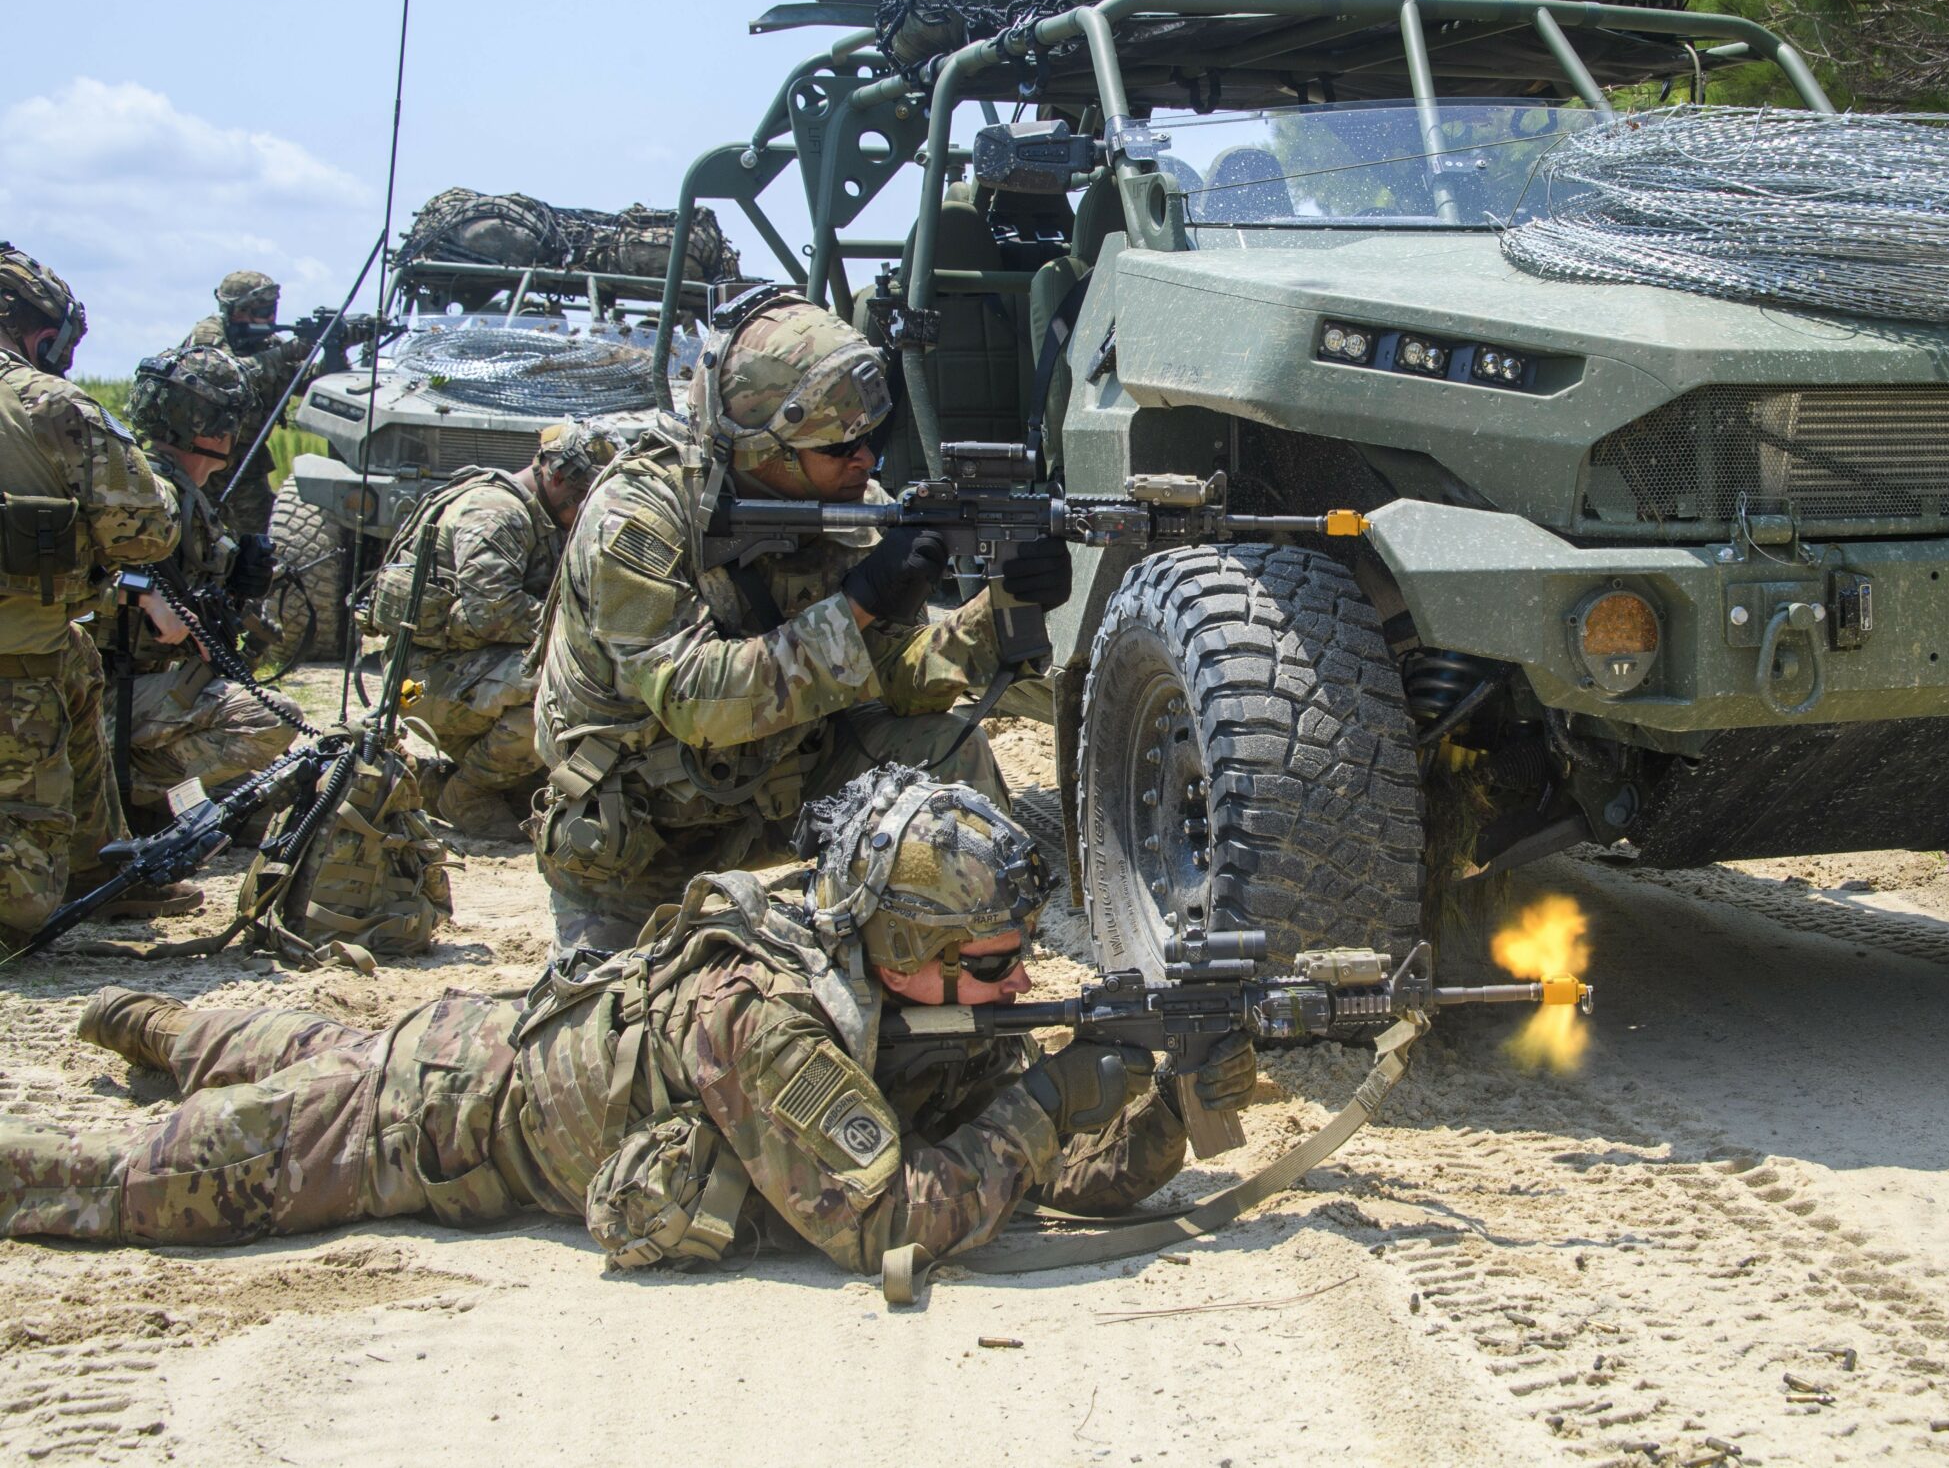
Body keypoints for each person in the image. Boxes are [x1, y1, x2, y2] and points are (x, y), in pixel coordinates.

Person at [0, 767, 1256, 1276]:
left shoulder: (923, 1005)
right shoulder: (767, 1017)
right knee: (131, 1187)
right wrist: (1050, 1098)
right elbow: (893, 1219)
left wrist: (1162, 1114)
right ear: (906, 941)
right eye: (986, 963)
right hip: (421, 1120)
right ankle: (149, 1043)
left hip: (486, 1033)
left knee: (251, 1042)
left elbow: (1043, 1180)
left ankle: (158, 1027)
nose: (1009, 987)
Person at [531, 286, 1072, 950]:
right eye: (841, 444)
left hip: (779, 802)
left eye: (874, 437)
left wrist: (1002, 607)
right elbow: (698, 702)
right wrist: (861, 602)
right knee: (630, 1038)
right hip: (640, 842)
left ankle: (975, 965)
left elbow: (895, 680)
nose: (866, 459)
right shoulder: (637, 516)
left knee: (942, 752)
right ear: (763, 447)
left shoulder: (849, 505)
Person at [0, 243, 182, 952]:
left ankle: (97, 864)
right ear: (43, 336)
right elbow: (149, 530)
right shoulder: (51, 406)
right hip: (13, 674)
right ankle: (62, 877)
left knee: (76, 653)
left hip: (41, 657)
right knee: (18, 915)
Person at [364, 422, 612, 838]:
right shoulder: (497, 513)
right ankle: (469, 792)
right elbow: (493, 612)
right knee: (562, 685)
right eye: (581, 499)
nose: (584, 513)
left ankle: (436, 783)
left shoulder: (542, 516)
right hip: (415, 687)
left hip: (465, 675)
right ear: (555, 477)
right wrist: (587, 634)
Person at [111, 347, 294, 835]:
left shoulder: (183, 495)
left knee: (276, 788)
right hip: (110, 693)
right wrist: (143, 595)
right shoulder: (147, 494)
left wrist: (235, 580)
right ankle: (128, 790)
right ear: (213, 431)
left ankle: (152, 792)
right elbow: (79, 576)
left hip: (148, 684)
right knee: (273, 721)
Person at [182, 269, 310, 540]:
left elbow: (307, 382)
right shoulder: (209, 335)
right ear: (235, 311)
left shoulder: (268, 344)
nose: (271, 318)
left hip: (245, 463)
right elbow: (226, 374)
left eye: (272, 309)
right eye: (262, 310)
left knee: (259, 541)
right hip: (198, 457)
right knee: (189, 532)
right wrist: (287, 352)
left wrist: (338, 349)